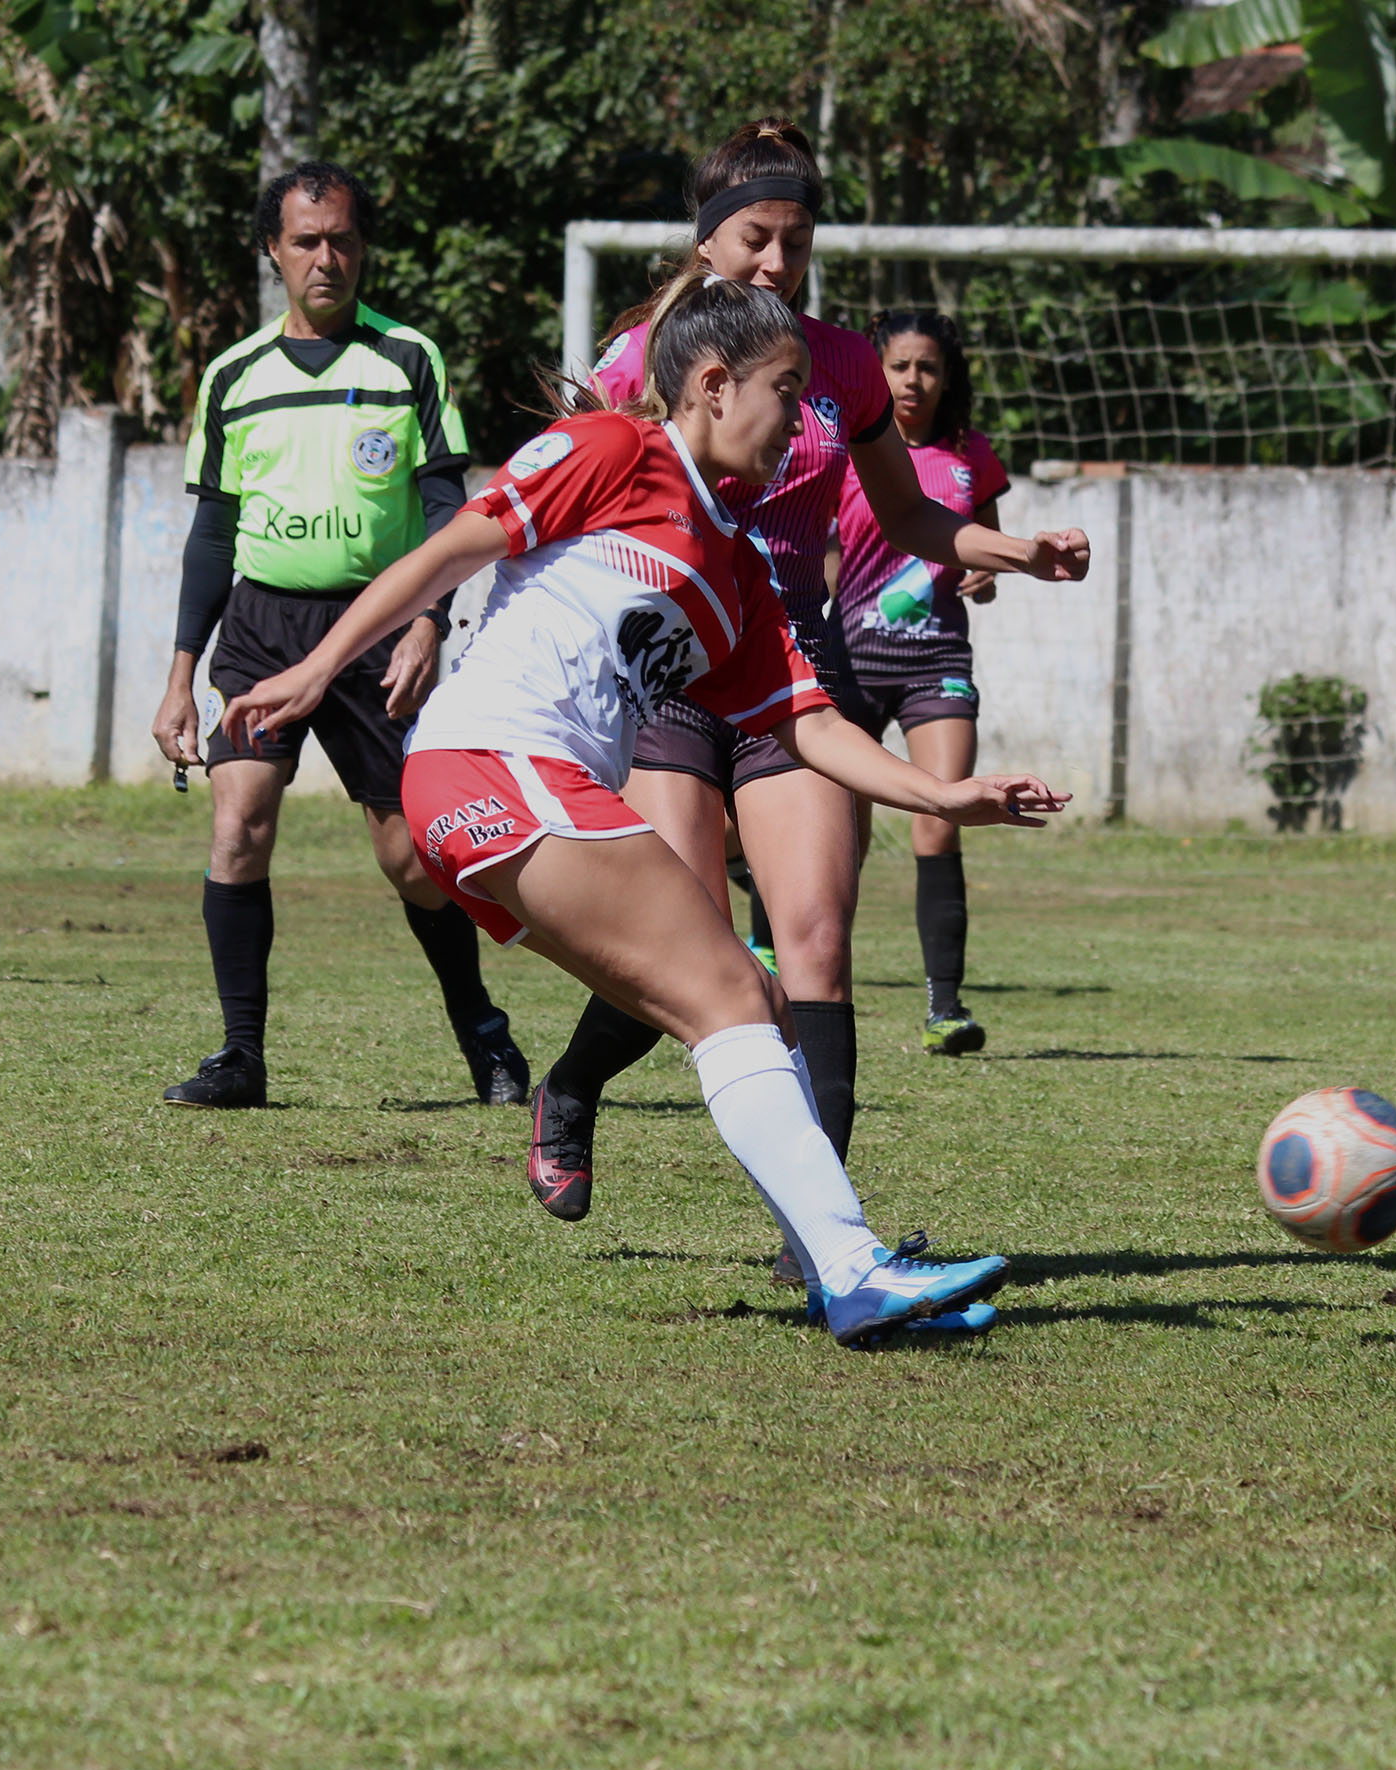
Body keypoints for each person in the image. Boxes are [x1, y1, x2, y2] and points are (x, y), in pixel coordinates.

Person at [219, 281, 1069, 1343]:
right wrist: (317, 665)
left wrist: (942, 792)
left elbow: (806, 725)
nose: (807, 419)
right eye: (786, 390)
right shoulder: (613, 449)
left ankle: (839, 1267)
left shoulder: (739, 572)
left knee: (745, 998)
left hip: (529, 792)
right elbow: (452, 550)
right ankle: (852, 1269)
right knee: (732, 990)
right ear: (713, 386)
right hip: (489, 764)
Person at [522, 119, 1089, 1230]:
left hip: (796, 670)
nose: (780, 263)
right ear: (708, 241)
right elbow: (568, 494)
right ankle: (572, 1086)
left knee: (817, 939)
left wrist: (1014, 549)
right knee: (682, 944)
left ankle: (820, 1229)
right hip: (671, 669)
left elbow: (913, 511)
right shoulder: (643, 355)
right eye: (757, 238)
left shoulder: (841, 364)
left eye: (799, 239)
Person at [148, 161, 530, 1111]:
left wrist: (430, 620)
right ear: (273, 252)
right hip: (262, 629)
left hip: (379, 630)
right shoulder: (233, 376)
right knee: (238, 825)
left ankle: (482, 1031)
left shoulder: (408, 360)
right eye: (307, 241)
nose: (328, 257)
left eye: (343, 239)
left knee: (412, 854)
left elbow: (452, 504)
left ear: (363, 246)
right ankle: (241, 1056)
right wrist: (179, 675)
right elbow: (212, 536)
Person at [838, 309, 1010, 1053]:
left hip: (936, 660)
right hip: (846, 660)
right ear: (877, 372)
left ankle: (945, 1006)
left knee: (942, 816)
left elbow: (987, 551)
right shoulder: (844, 447)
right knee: (828, 836)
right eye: (900, 365)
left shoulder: (971, 454)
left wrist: (989, 573)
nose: (913, 380)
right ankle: (780, 967)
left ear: (947, 377)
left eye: (928, 367)